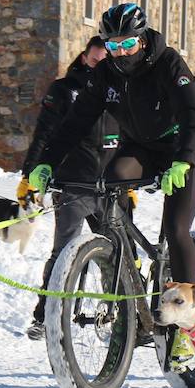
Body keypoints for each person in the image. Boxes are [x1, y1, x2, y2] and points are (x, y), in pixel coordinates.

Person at [26, 2, 195, 366]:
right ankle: (122, 264)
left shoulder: (168, 63)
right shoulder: (106, 73)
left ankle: (184, 330)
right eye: (113, 45)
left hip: (187, 148)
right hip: (142, 147)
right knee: (108, 183)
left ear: (142, 40)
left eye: (127, 44)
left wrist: (183, 160)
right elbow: (76, 121)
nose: (121, 52)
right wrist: (46, 162)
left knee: (176, 230)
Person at [19, 36, 117, 339]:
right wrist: (29, 174)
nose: (99, 64)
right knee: (64, 252)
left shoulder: (122, 90)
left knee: (118, 252)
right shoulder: (65, 90)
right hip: (73, 181)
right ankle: (46, 316)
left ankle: (119, 314)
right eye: (94, 59)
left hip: (113, 183)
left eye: (105, 60)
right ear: (85, 57)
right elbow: (45, 133)